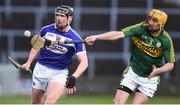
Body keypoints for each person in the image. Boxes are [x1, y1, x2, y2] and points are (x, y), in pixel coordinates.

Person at [85, 9, 176, 104]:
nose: (150, 22)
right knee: (117, 103)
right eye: (149, 18)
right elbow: (118, 34)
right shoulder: (141, 28)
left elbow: (170, 64)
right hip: (133, 72)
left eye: (154, 20)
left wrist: (158, 71)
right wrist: (96, 37)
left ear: (161, 25)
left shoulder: (165, 40)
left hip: (150, 79)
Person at [22, 5, 88, 104]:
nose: (58, 18)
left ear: (69, 18)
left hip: (59, 73)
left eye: (62, 16)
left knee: (50, 101)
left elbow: (84, 62)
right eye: (57, 15)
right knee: (36, 103)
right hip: (41, 69)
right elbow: (36, 47)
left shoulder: (75, 38)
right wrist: (28, 62)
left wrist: (73, 77)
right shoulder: (46, 30)